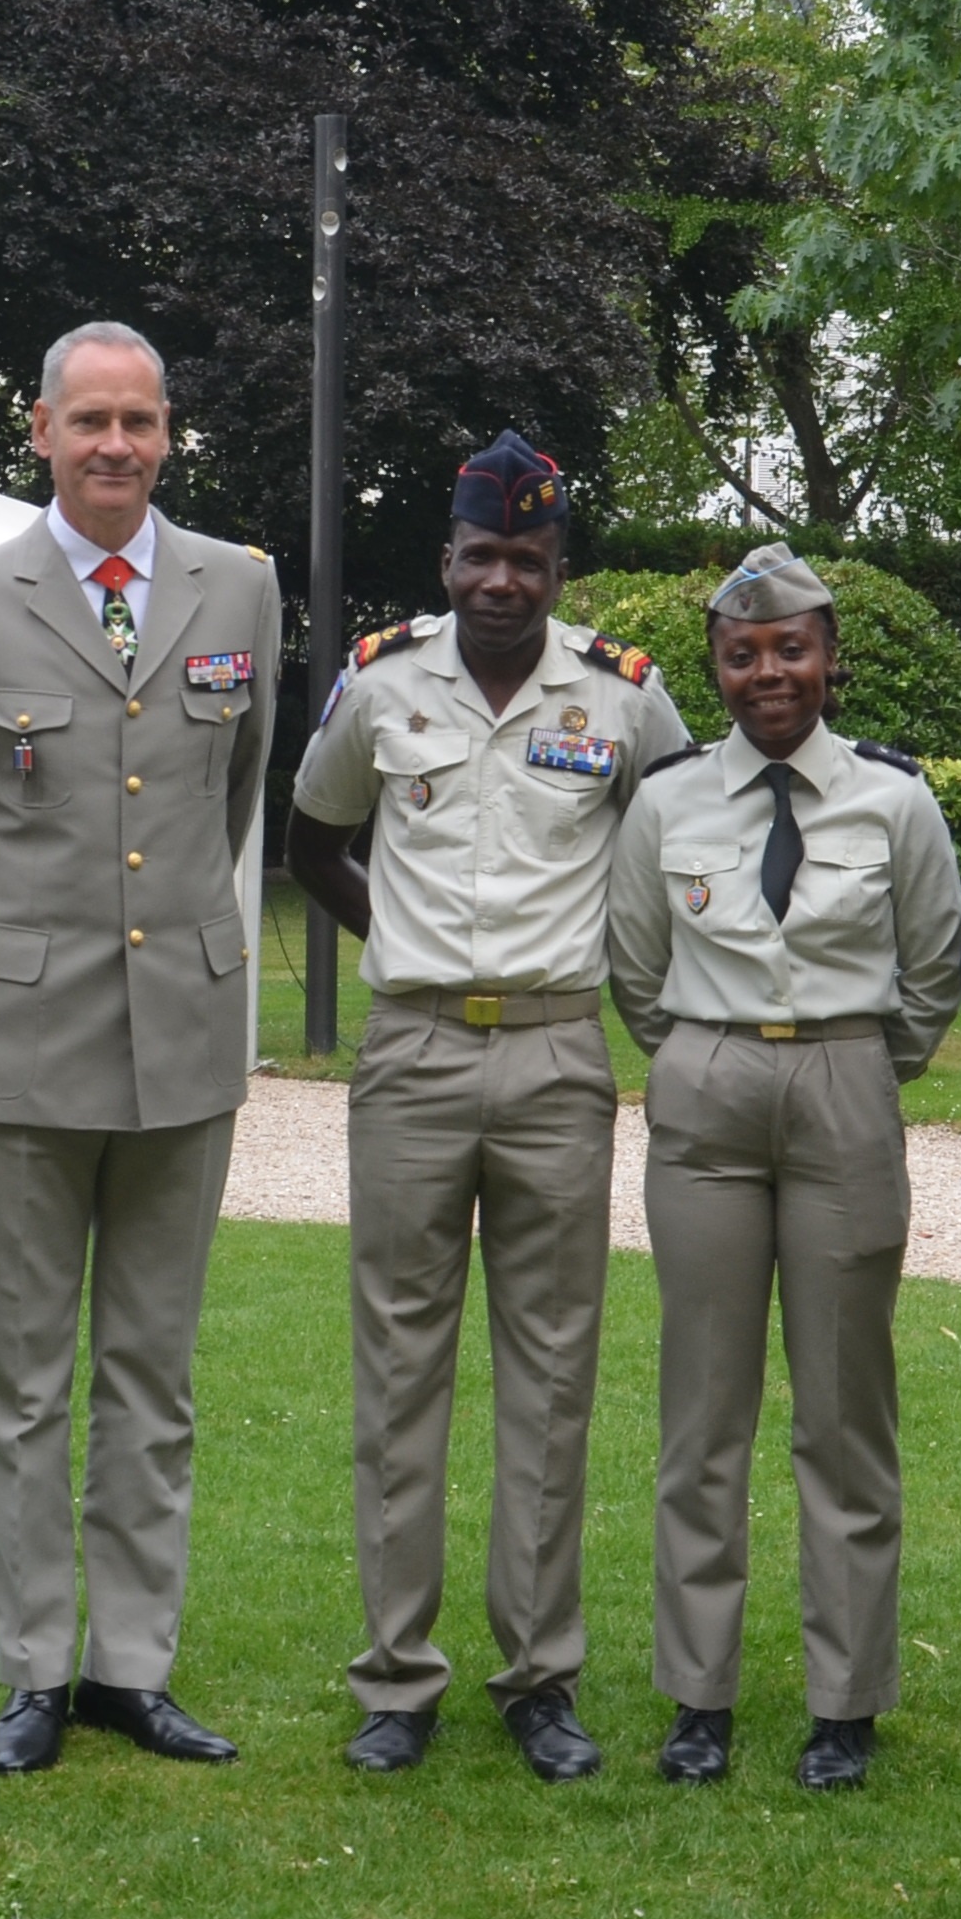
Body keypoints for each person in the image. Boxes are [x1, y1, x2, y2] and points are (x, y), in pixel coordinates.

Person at [0, 320, 279, 1774]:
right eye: (89, 422)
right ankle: (37, 1670)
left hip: (180, 1027)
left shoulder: (239, 585)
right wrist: (11, 950)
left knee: (154, 1376)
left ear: (169, 432)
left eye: (141, 421)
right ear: (38, 432)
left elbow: (231, 799)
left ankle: (135, 1664)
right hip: (28, 1034)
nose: (116, 446)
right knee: (25, 1377)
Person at [286, 430, 690, 1779]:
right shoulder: (382, 687)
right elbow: (314, 841)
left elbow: (685, 846)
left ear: (556, 565)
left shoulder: (627, 702)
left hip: (557, 1062)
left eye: (526, 557)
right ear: (446, 562)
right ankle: (397, 1679)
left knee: (552, 1371)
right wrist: (394, 935)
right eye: (479, 556)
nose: (500, 579)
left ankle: (538, 1678)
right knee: (399, 1373)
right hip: (412, 1057)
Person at [601, 544, 961, 1793]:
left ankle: (843, 1700)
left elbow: (930, 974)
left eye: (791, 648)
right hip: (703, 1090)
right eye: (742, 653)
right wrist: (703, 1058)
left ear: (827, 657)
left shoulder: (893, 802)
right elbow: (636, 973)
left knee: (843, 1414)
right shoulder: (666, 801)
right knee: (702, 1418)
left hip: (843, 1091)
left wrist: (857, 1069)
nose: (768, 672)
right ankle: (696, 1697)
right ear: (713, 667)